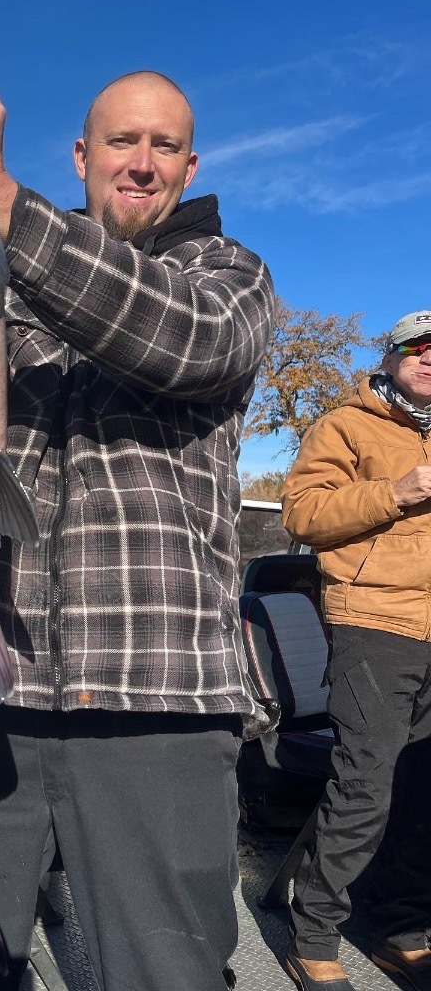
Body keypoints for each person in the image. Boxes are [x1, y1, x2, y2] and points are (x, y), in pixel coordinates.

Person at [0, 0, 274, 991]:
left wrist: (6, 202)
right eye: (121, 140)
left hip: (160, 712)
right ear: (81, 154)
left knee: (163, 976)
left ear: (191, 166)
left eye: (165, 144)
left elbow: (187, 341)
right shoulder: (1, 281)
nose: (141, 160)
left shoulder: (226, 276)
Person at [281, 310, 431, 991]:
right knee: (366, 783)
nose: (430, 359)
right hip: (375, 622)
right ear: (392, 356)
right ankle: (312, 930)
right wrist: (397, 491)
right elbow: (303, 515)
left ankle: (397, 924)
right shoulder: (346, 425)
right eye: (418, 348)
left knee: (423, 786)